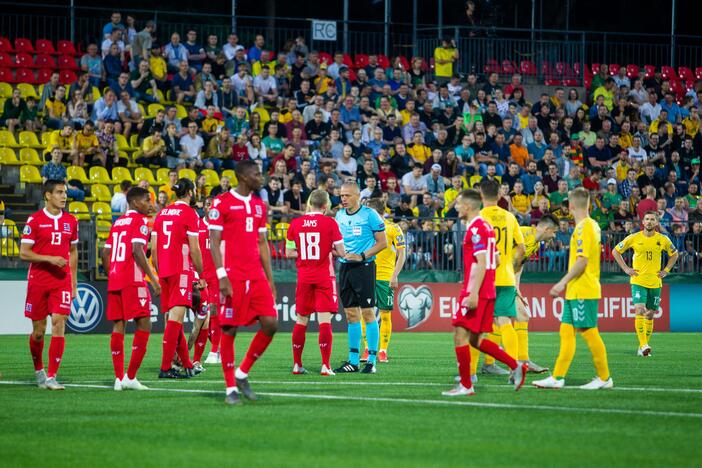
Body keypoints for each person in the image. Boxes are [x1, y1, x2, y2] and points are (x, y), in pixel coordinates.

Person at [442, 189, 527, 397]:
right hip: (487, 289)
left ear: (468, 206)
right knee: (474, 339)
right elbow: (495, 259)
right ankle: (515, 365)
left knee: (460, 335)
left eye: (459, 203)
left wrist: (472, 293)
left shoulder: (477, 228)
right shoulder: (485, 227)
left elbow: (482, 262)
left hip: (476, 291)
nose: (456, 207)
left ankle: (466, 385)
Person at [208, 160, 279, 405]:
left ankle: (242, 372)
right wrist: (221, 276)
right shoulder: (221, 203)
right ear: (242, 176)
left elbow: (262, 244)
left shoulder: (260, 206)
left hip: (256, 275)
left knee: (270, 323)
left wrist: (270, 280)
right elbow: (213, 241)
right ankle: (230, 389)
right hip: (232, 275)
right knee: (229, 328)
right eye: (257, 173)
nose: (261, 177)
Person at [533, 188, 613, 390]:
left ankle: (604, 377)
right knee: (566, 332)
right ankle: (557, 377)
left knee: (588, 332)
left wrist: (561, 283)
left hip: (583, 289)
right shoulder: (592, 225)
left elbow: (582, 261)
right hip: (576, 290)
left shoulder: (584, 228)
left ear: (570, 205)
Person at [19, 180, 79, 390]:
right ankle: (39, 371)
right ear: (47, 195)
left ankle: (52, 377)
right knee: (38, 331)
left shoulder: (71, 221)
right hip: (38, 281)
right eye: (59, 192)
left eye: (65, 193)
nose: (64, 196)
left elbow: (72, 252)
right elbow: (24, 252)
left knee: (59, 322)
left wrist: (73, 282)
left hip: (61, 282)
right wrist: (50, 259)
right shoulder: (34, 220)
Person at [100, 187, 160, 391]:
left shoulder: (117, 223)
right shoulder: (139, 222)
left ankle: (118, 378)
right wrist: (153, 278)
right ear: (135, 203)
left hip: (116, 278)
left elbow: (105, 253)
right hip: (133, 279)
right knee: (144, 324)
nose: (150, 204)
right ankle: (131, 377)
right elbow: (136, 250)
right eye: (146, 200)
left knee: (119, 325)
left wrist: (113, 274)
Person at [285, 189, 346, 375]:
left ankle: (297, 364)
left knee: (301, 320)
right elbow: (342, 252)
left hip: (304, 276)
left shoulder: (295, 223)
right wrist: (327, 251)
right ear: (326, 207)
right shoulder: (330, 223)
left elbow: (288, 253)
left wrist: (304, 254)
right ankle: (325, 365)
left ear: (309, 204)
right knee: (324, 321)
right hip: (323, 276)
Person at [151, 178, 204, 379]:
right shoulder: (190, 213)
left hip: (163, 270)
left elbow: (154, 249)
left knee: (175, 320)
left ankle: (188, 364)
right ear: (190, 192)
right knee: (175, 321)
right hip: (181, 271)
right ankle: (166, 367)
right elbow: (195, 248)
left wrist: (159, 270)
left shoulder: (162, 213)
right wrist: (202, 275)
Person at [333, 182, 387, 374]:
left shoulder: (370, 214)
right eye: (341, 196)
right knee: (351, 315)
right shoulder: (339, 215)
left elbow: (383, 243)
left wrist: (362, 255)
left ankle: (371, 361)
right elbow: (338, 242)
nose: (343, 199)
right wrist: (337, 252)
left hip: (364, 267)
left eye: (347, 195)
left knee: (368, 313)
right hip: (345, 268)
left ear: (357, 196)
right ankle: (353, 361)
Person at [474, 179, 525, 378]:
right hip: (506, 277)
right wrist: (511, 266)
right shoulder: (510, 217)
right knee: (505, 322)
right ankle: (514, 368)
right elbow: (521, 248)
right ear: (499, 196)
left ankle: (470, 374)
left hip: (485, 278)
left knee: (476, 325)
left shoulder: (478, 218)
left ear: (481, 195)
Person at [612, 212, 679, 356]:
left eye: (652, 219)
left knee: (650, 314)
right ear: (643, 222)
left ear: (656, 223)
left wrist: (666, 270)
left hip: (655, 282)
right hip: (638, 280)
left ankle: (643, 346)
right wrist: (626, 269)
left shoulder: (663, 239)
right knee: (640, 309)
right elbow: (615, 251)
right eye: (647, 219)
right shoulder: (634, 237)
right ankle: (643, 346)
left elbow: (675, 254)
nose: (649, 222)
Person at [514, 215, 560, 372]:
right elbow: (499, 252)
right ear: (546, 229)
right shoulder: (522, 234)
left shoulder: (534, 244)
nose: (554, 236)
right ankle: (520, 362)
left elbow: (518, 266)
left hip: (505, 280)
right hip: (495, 277)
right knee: (517, 317)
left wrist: (517, 287)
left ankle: (493, 363)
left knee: (511, 318)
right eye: (554, 232)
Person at [362, 198, 406, 363]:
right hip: (366, 274)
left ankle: (382, 351)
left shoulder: (393, 228)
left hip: (385, 277)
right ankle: (367, 350)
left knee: (385, 315)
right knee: (365, 313)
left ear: (374, 212)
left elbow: (402, 253)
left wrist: (395, 275)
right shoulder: (366, 228)